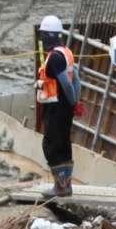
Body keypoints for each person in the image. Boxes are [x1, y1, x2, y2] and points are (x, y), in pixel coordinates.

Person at [35, 15, 80, 198]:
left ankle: (60, 186)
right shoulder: (66, 52)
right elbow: (76, 79)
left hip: (57, 107)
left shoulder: (55, 57)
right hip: (64, 107)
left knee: (51, 145)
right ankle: (65, 185)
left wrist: (72, 101)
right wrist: (75, 102)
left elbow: (67, 84)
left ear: (48, 35)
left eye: (43, 35)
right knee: (63, 144)